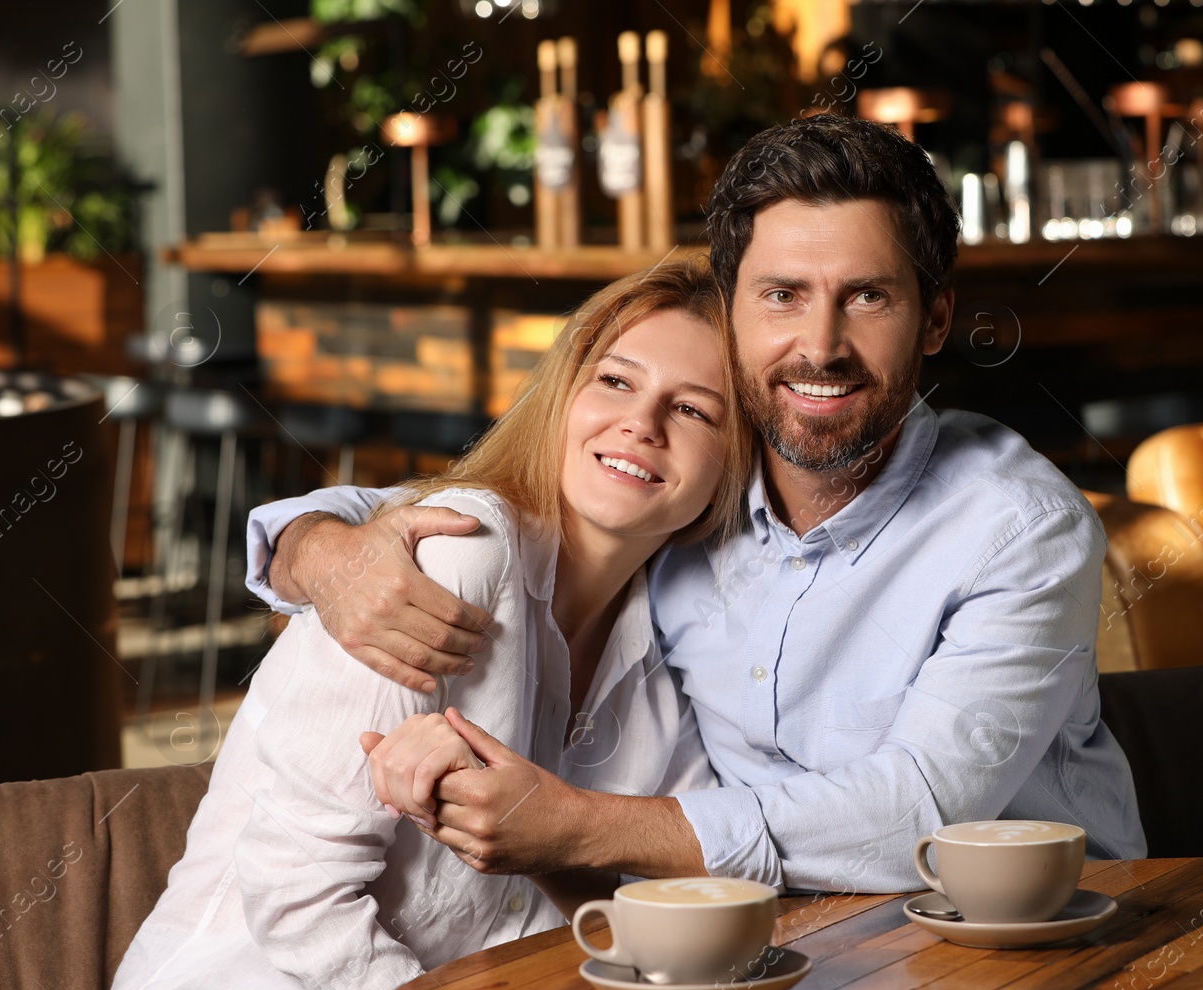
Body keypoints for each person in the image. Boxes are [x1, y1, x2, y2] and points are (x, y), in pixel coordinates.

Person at [247, 114, 1147, 898]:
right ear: (735, 312)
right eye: (782, 296)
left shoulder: (1019, 526)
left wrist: (579, 825)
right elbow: (488, 498)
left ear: (937, 319)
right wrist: (321, 549)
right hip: (780, 950)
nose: (820, 347)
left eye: (867, 297)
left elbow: (920, 811)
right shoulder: (688, 482)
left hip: (1021, 940)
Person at [95, 260, 752, 990]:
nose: (642, 424)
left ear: (735, 464)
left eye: (693, 409)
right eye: (616, 380)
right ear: (564, 395)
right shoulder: (455, 559)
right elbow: (296, 889)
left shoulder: (668, 660)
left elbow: (672, 910)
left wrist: (556, 840)